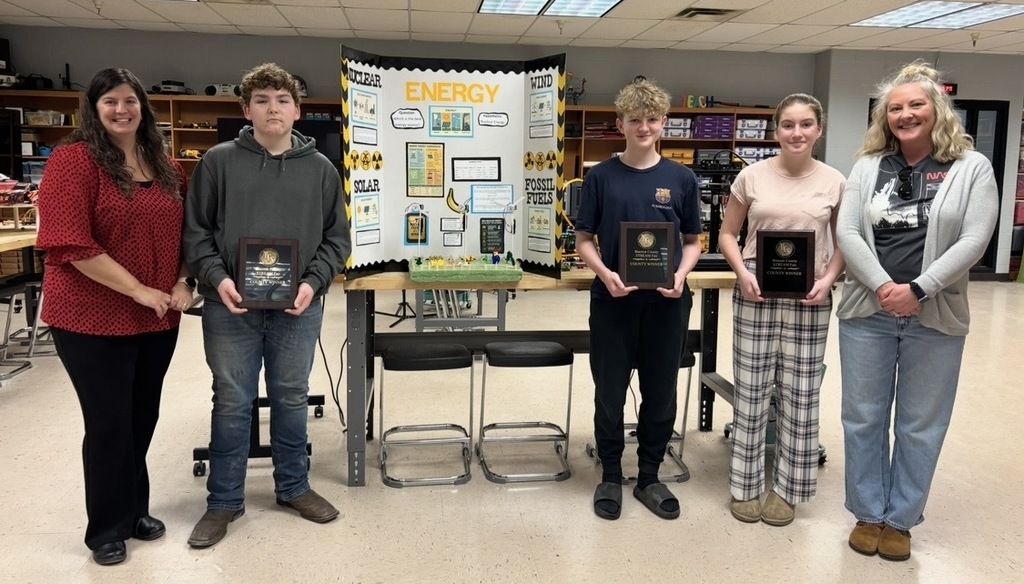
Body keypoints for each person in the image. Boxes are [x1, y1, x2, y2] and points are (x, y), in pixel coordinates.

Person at [183, 63, 350, 548]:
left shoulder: (321, 170)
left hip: (298, 306)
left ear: (297, 110)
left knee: (291, 396)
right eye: (262, 100)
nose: (272, 109)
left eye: (281, 100)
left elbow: (337, 240)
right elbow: (196, 233)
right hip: (228, 305)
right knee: (232, 400)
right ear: (246, 110)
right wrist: (218, 279)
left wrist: (312, 283)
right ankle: (224, 502)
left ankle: (293, 487)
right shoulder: (217, 162)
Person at [836, 61, 998, 561]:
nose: (905, 115)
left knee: (920, 423)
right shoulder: (867, 167)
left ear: (937, 111)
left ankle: (901, 520)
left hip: (937, 316)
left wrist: (920, 288)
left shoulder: (971, 168)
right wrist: (887, 286)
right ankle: (867, 513)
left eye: (916, 106)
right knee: (863, 417)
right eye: (896, 108)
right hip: (870, 311)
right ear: (885, 118)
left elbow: (975, 238)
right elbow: (847, 232)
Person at [36, 68, 190, 566]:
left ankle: (133, 511)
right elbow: (71, 243)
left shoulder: (165, 165)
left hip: (158, 318)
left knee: (141, 416)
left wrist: (182, 282)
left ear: (142, 107)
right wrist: (138, 289)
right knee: (108, 423)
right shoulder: (73, 162)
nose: (122, 110)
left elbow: (185, 234)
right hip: (89, 318)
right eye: (110, 102)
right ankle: (105, 527)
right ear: (94, 109)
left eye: (130, 101)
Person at [574, 79, 702, 520]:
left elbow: (692, 240)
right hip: (613, 298)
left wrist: (682, 275)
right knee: (609, 390)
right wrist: (605, 273)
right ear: (620, 124)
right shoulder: (601, 176)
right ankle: (610, 473)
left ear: (663, 124)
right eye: (635, 120)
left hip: (667, 302)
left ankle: (649, 475)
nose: (643, 127)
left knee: (660, 391)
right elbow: (583, 239)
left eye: (651, 119)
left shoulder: (682, 178)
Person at [718, 94, 846, 527]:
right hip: (756, 289)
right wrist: (741, 273)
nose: (797, 132)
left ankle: (789, 489)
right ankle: (745, 486)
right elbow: (728, 235)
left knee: (800, 394)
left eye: (806, 124)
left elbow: (844, 242)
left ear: (819, 130)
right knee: (752, 391)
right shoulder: (751, 178)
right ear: (776, 131)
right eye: (788, 124)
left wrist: (828, 280)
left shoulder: (834, 182)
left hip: (811, 294)